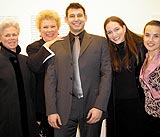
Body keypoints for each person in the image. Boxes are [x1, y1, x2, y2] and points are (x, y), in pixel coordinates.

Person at [44, 2, 112, 137]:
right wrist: (51, 110)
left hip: (92, 105)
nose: (76, 19)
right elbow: (50, 80)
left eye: (79, 15)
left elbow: (106, 75)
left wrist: (99, 106)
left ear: (85, 17)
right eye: (72, 16)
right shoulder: (55, 45)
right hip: (63, 107)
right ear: (66, 19)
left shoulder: (100, 42)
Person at [104, 16, 146, 137]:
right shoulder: (107, 49)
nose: (114, 34)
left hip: (138, 103)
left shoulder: (141, 44)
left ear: (124, 28)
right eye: (109, 32)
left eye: (117, 29)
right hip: (116, 105)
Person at [26, 9, 62, 137]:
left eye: (53, 26)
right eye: (45, 27)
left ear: (58, 28)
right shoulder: (34, 47)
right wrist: (49, 44)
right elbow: (36, 66)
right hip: (43, 104)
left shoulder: (65, 46)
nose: (49, 30)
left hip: (64, 102)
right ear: (40, 30)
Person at [0, 19, 38, 137]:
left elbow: (33, 90)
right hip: (6, 120)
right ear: (0, 39)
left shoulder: (25, 60)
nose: (11, 38)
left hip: (29, 118)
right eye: (7, 35)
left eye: (14, 34)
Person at [139, 20, 160, 137]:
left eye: (156, 36)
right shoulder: (146, 57)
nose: (150, 39)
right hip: (148, 117)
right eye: (147, 35)